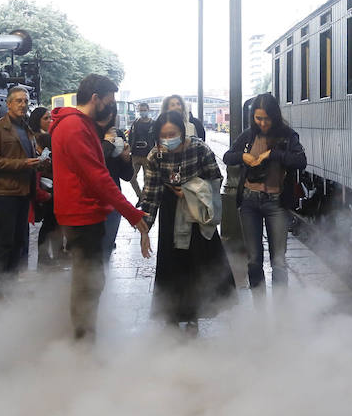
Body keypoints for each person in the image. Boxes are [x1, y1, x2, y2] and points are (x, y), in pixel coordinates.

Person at [49, 74, 149, 341]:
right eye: (109, 101)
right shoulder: (74, 127)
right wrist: (132, 213)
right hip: (81, 214)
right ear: (96, 98)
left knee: (91, 279)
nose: (111, 106)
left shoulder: (78, 125)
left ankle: (86, 337)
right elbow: (97, 176)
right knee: (87, 282)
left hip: (84, 211)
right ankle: (83, 343)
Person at [141, 109, 236, 331]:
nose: (167, 140)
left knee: (196, 263)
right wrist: (144, 227)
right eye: (162, 136)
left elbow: (215, 179)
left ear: (182, 132)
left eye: (172, 134)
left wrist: (192, 191)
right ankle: (171, 315)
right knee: (171, 264)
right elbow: (151, 192)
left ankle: (193, 315)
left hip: (195, 212)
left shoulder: (199, 149)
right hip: (169, 211)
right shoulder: (155, 156)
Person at [222, 93, 307, 296]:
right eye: (258, 118)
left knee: (278, 259)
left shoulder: (288, 136)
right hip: (250, 202)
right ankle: (259, 309)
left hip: (276, 203)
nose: (262, 123)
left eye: (266, 119)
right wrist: (243, 156)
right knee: (253, 259)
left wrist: (272, 154)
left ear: (275, 116)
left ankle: (280, 310)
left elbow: (300, 161)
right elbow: (228, 157)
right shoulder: (248, 135)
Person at [0, 86, 45, 298]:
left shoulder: (26, 128)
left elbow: (28, 155)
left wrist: (39, 163)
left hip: (24, 191)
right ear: (8, 104)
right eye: (18, 101)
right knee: (4, 241)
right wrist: (23, 163)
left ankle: (14, 282)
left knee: (20, 239)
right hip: (5, 192)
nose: (23, 104)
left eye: (25, 101)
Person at [95, 102, 135, 260]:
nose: (110, 117)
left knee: (106, 248)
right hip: (92, 201)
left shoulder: (118, 134)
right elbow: (95, 164)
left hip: (113, 199)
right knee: (91, 254)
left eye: (112, 114)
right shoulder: (88, 134)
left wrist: (126, 159)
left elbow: (127, 175)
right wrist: (107, 143)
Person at [29, 105, 61, 268]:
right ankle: (44, 258)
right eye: (45, 118)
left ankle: (51, 256)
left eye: (50, 118)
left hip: (53, 183)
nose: (49, 121)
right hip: (45, 185)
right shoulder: (36, 138)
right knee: (49, 223)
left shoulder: (49, 136)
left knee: (53, 222)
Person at [127, 100, 155, 198]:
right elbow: (130, 137)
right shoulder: (135, 123)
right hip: (135, 154)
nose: (142, 112)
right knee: (131, 177)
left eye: (144, 110)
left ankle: (144, 198)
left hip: (148, 155)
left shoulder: (153, 124)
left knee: (147, 179)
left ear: (148, 110)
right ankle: (140, 196)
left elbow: (157, 139)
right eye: (141, 110)